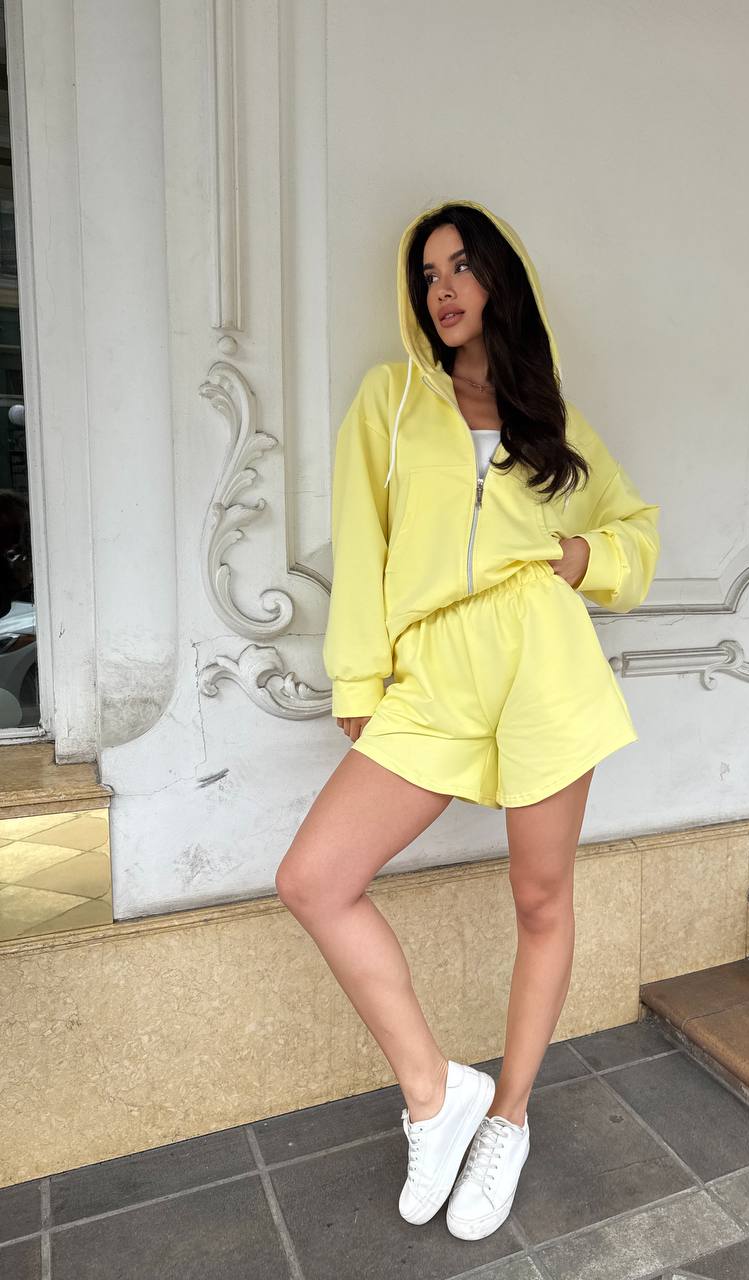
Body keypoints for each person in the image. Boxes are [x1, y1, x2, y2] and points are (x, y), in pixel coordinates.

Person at [275, 198, 660, 1241]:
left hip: (543, 659)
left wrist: (584, 558)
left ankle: (509, 1118)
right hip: (435, 667)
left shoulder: (550, 417)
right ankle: (437, 1093)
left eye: (460, 267)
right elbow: (362, 537)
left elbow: (635, 529)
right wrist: (360, 680)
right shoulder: (393, 398)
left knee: (540, 898)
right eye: (428, 274)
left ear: (499, 278)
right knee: (314, 878)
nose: (442, 289)